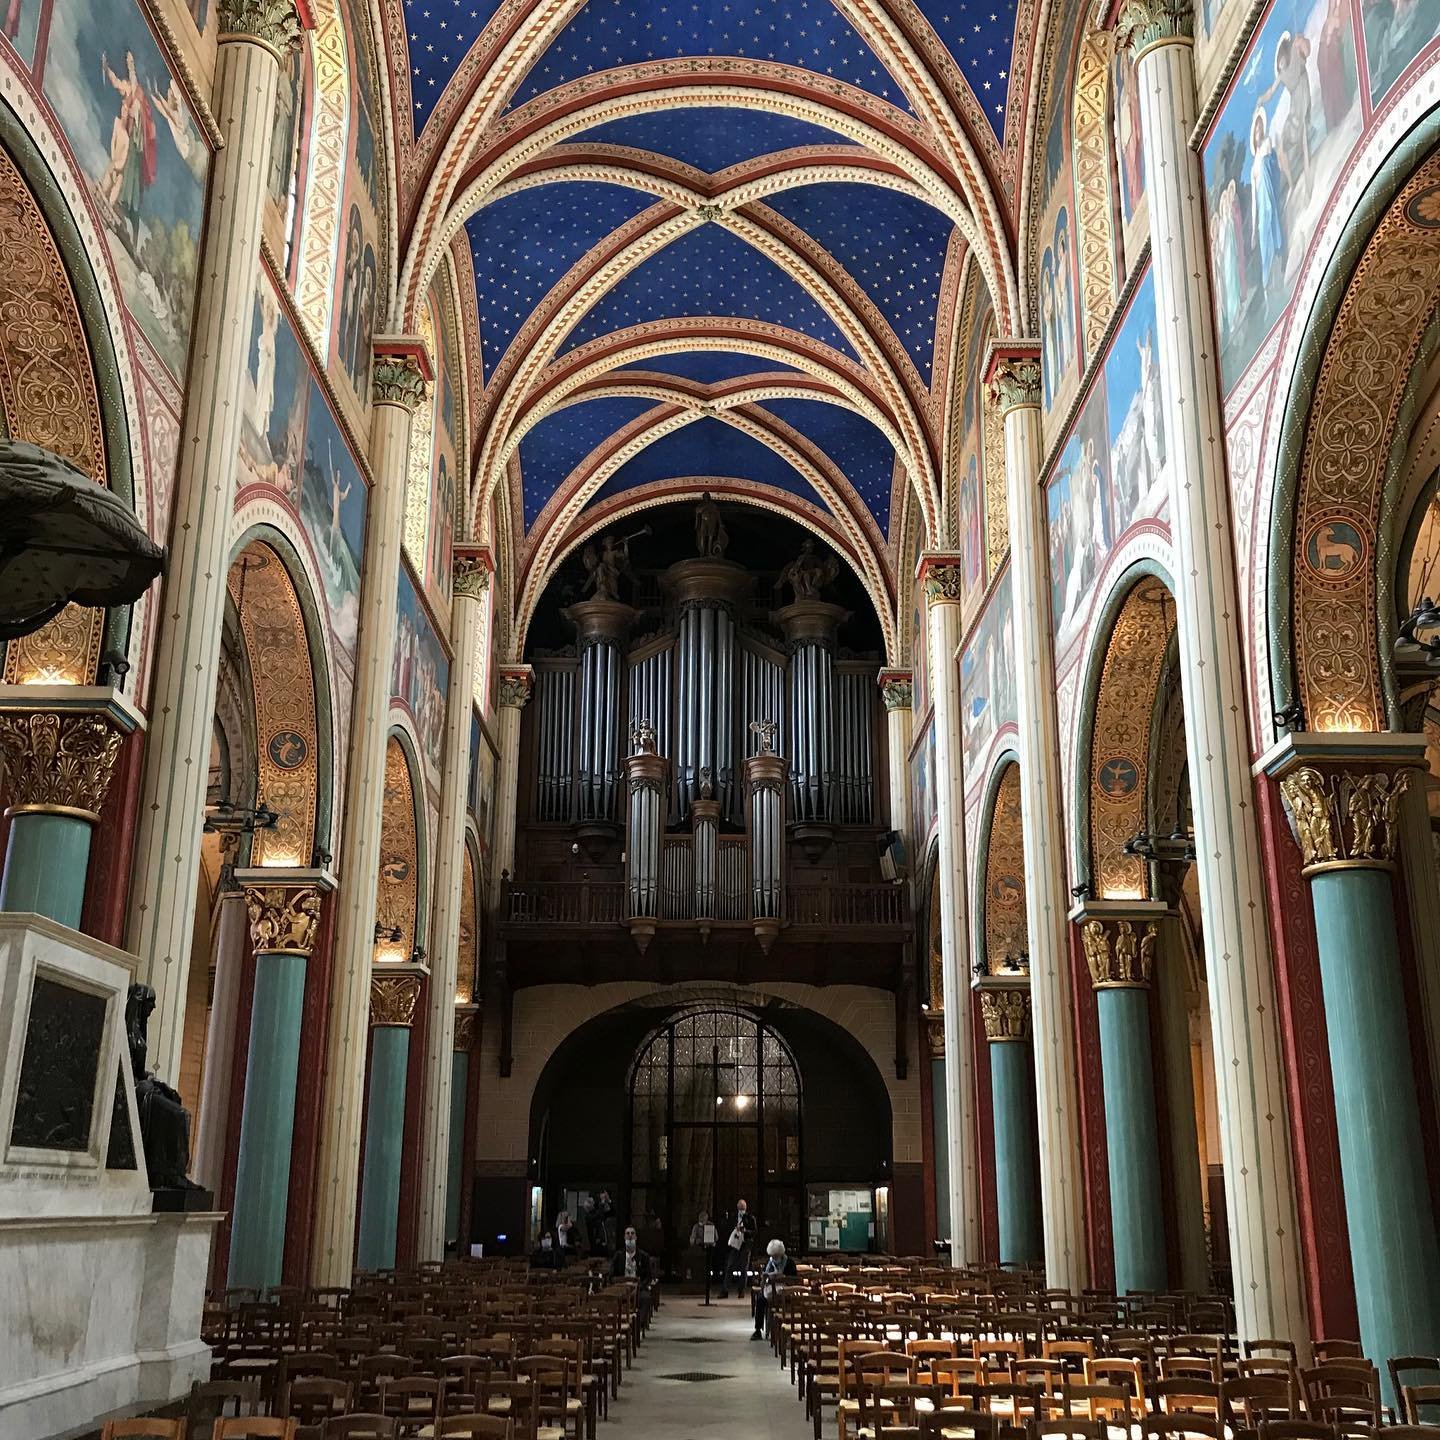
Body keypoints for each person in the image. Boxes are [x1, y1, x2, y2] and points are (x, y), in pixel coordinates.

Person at [752, 1238, 797, 1341]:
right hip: (771, 1291)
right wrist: (765, 1278)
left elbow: (794, 1280)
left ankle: (787, 1330)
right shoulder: (770, 1263)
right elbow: (764, 1279)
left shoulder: (789, 1263)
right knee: (760, 1300)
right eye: (772, 1256)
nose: (774, 1258)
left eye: (776, 1256)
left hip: (785, 1290)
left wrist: (782, 1277)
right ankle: (758, 1330)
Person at [610, 1224, 654, 1329]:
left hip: (637, 1288)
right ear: (624, 1237)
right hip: (621, 1288)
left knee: (646, 1298)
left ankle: (638, 1325)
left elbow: (648, 1276)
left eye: (632, 1234)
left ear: (636, 1237)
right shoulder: (618, 1256)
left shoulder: (644, 1256)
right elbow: (611, 1275)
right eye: (627, 1234)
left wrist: (640, 1286)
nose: (630, 1236)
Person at [719, 1198, 756, 1299]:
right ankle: (725, 1290)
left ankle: (741, 1290)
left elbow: (754, 1232)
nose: (741, 1211)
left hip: (745, 1244)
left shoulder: (750, 1217)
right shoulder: (733, 1217)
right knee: (730, 1266)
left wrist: (745, 1231)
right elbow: (727, 1228)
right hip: (735, 1244)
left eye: (743, 1209)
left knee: (743, 1268)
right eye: (740, 1209)